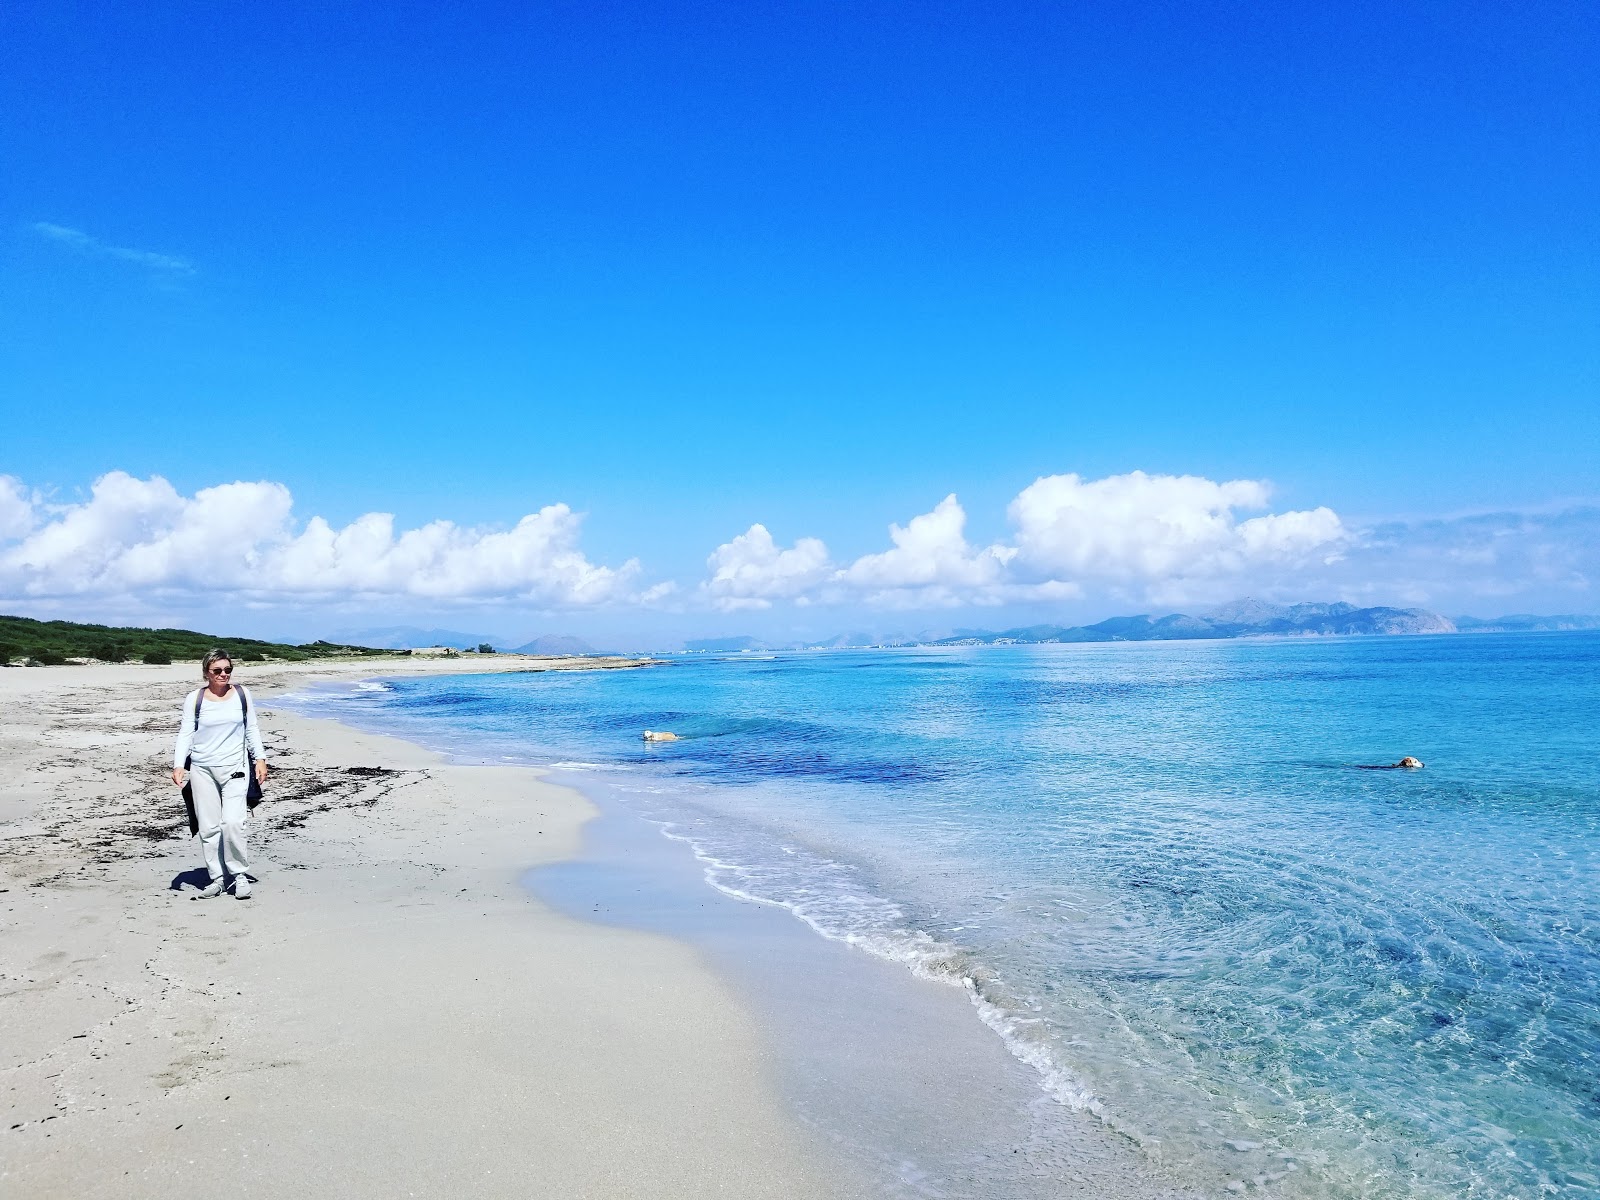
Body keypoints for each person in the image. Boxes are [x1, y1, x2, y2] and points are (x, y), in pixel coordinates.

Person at [171, 649, 268, 898]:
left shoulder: (243, 695)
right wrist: (179, 764)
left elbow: (252, 728)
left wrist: (260, 758)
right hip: (203, 769)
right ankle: (216, 878)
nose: (224, 674)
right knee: (209, 827)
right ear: (206, 673)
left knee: (234, 823)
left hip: (236, 768)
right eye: (217, 671)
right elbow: (185, 732)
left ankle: (239, 875)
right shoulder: (195, 699)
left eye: (228, 670)